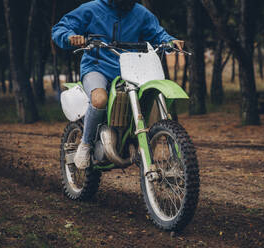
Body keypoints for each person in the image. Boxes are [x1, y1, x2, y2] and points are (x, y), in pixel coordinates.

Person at [52, 0, 184, 170]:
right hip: (97, 67)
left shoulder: (140, 13)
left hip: (131, 69)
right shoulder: (92, 9)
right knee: (99, 99)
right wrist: (70, 37)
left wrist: (170, 41)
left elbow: (158, 33)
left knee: (150, 96)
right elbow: (60, 28)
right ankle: (85, 145)